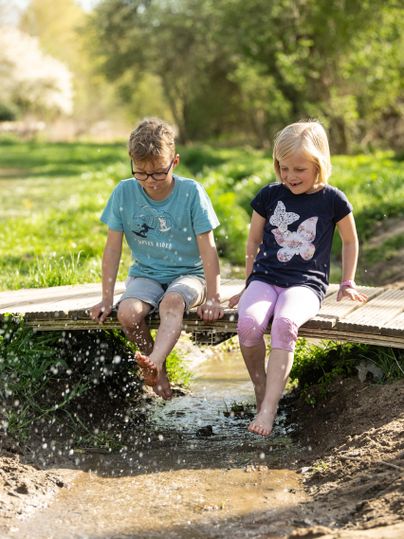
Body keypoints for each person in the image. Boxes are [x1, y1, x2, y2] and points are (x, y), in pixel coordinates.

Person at [229, 120, 367, 437]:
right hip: (265, 278)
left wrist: (347, 283)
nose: (290, 176)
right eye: (284, 167)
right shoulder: (268, 196)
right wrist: (248, 282)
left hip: (306, 284)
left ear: (319, 164)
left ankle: (269, 408)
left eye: (300, 170)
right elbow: (253, 241)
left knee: (285, 322)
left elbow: (350, 241)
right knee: (248, 323)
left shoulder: (332, 200)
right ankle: (261, 385)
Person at [90, 118, 224, 400]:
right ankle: (157, 370)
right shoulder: (123, 193)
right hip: (146, 275)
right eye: (141, 173)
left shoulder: (191, 193)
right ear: (131, 162)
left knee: (172, 302)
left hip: (189, 275)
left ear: (174, 161)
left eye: (158, 173)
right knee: (127, 313)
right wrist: (106, 298)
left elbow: (208, 250)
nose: (150, 182)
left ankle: (155, 361)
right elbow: (112, 250)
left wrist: (213, 296)